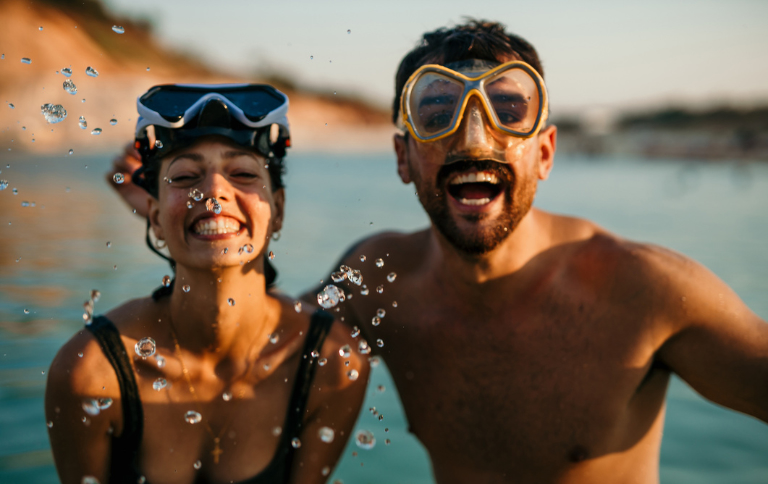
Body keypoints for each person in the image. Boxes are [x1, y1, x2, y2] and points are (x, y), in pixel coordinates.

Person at [302, 20, 768, 483]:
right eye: (439, 111)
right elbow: (255, 344)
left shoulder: (645, 291)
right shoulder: (379, 282)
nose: (474, 140)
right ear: (403, 157)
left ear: (544, 152)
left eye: (507, 108)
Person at [45, 83, 369, 484]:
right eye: (185, 176)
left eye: (244, 173)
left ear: (278, 209)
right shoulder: (91, 372)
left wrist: (184, 213)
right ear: (154, 217)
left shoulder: (330, 364)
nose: (215, 190)